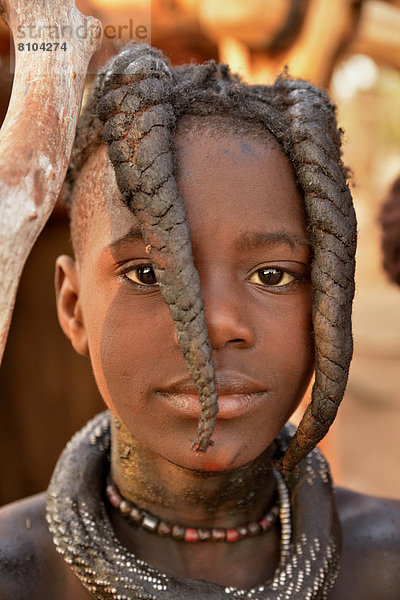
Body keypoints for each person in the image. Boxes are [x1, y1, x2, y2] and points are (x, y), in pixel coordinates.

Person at [1, 42, 399, 600]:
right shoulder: (16, 574)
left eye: (273, 276)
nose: (215, 325)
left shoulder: (388, 564)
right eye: (148, 275)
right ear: (73, 307)